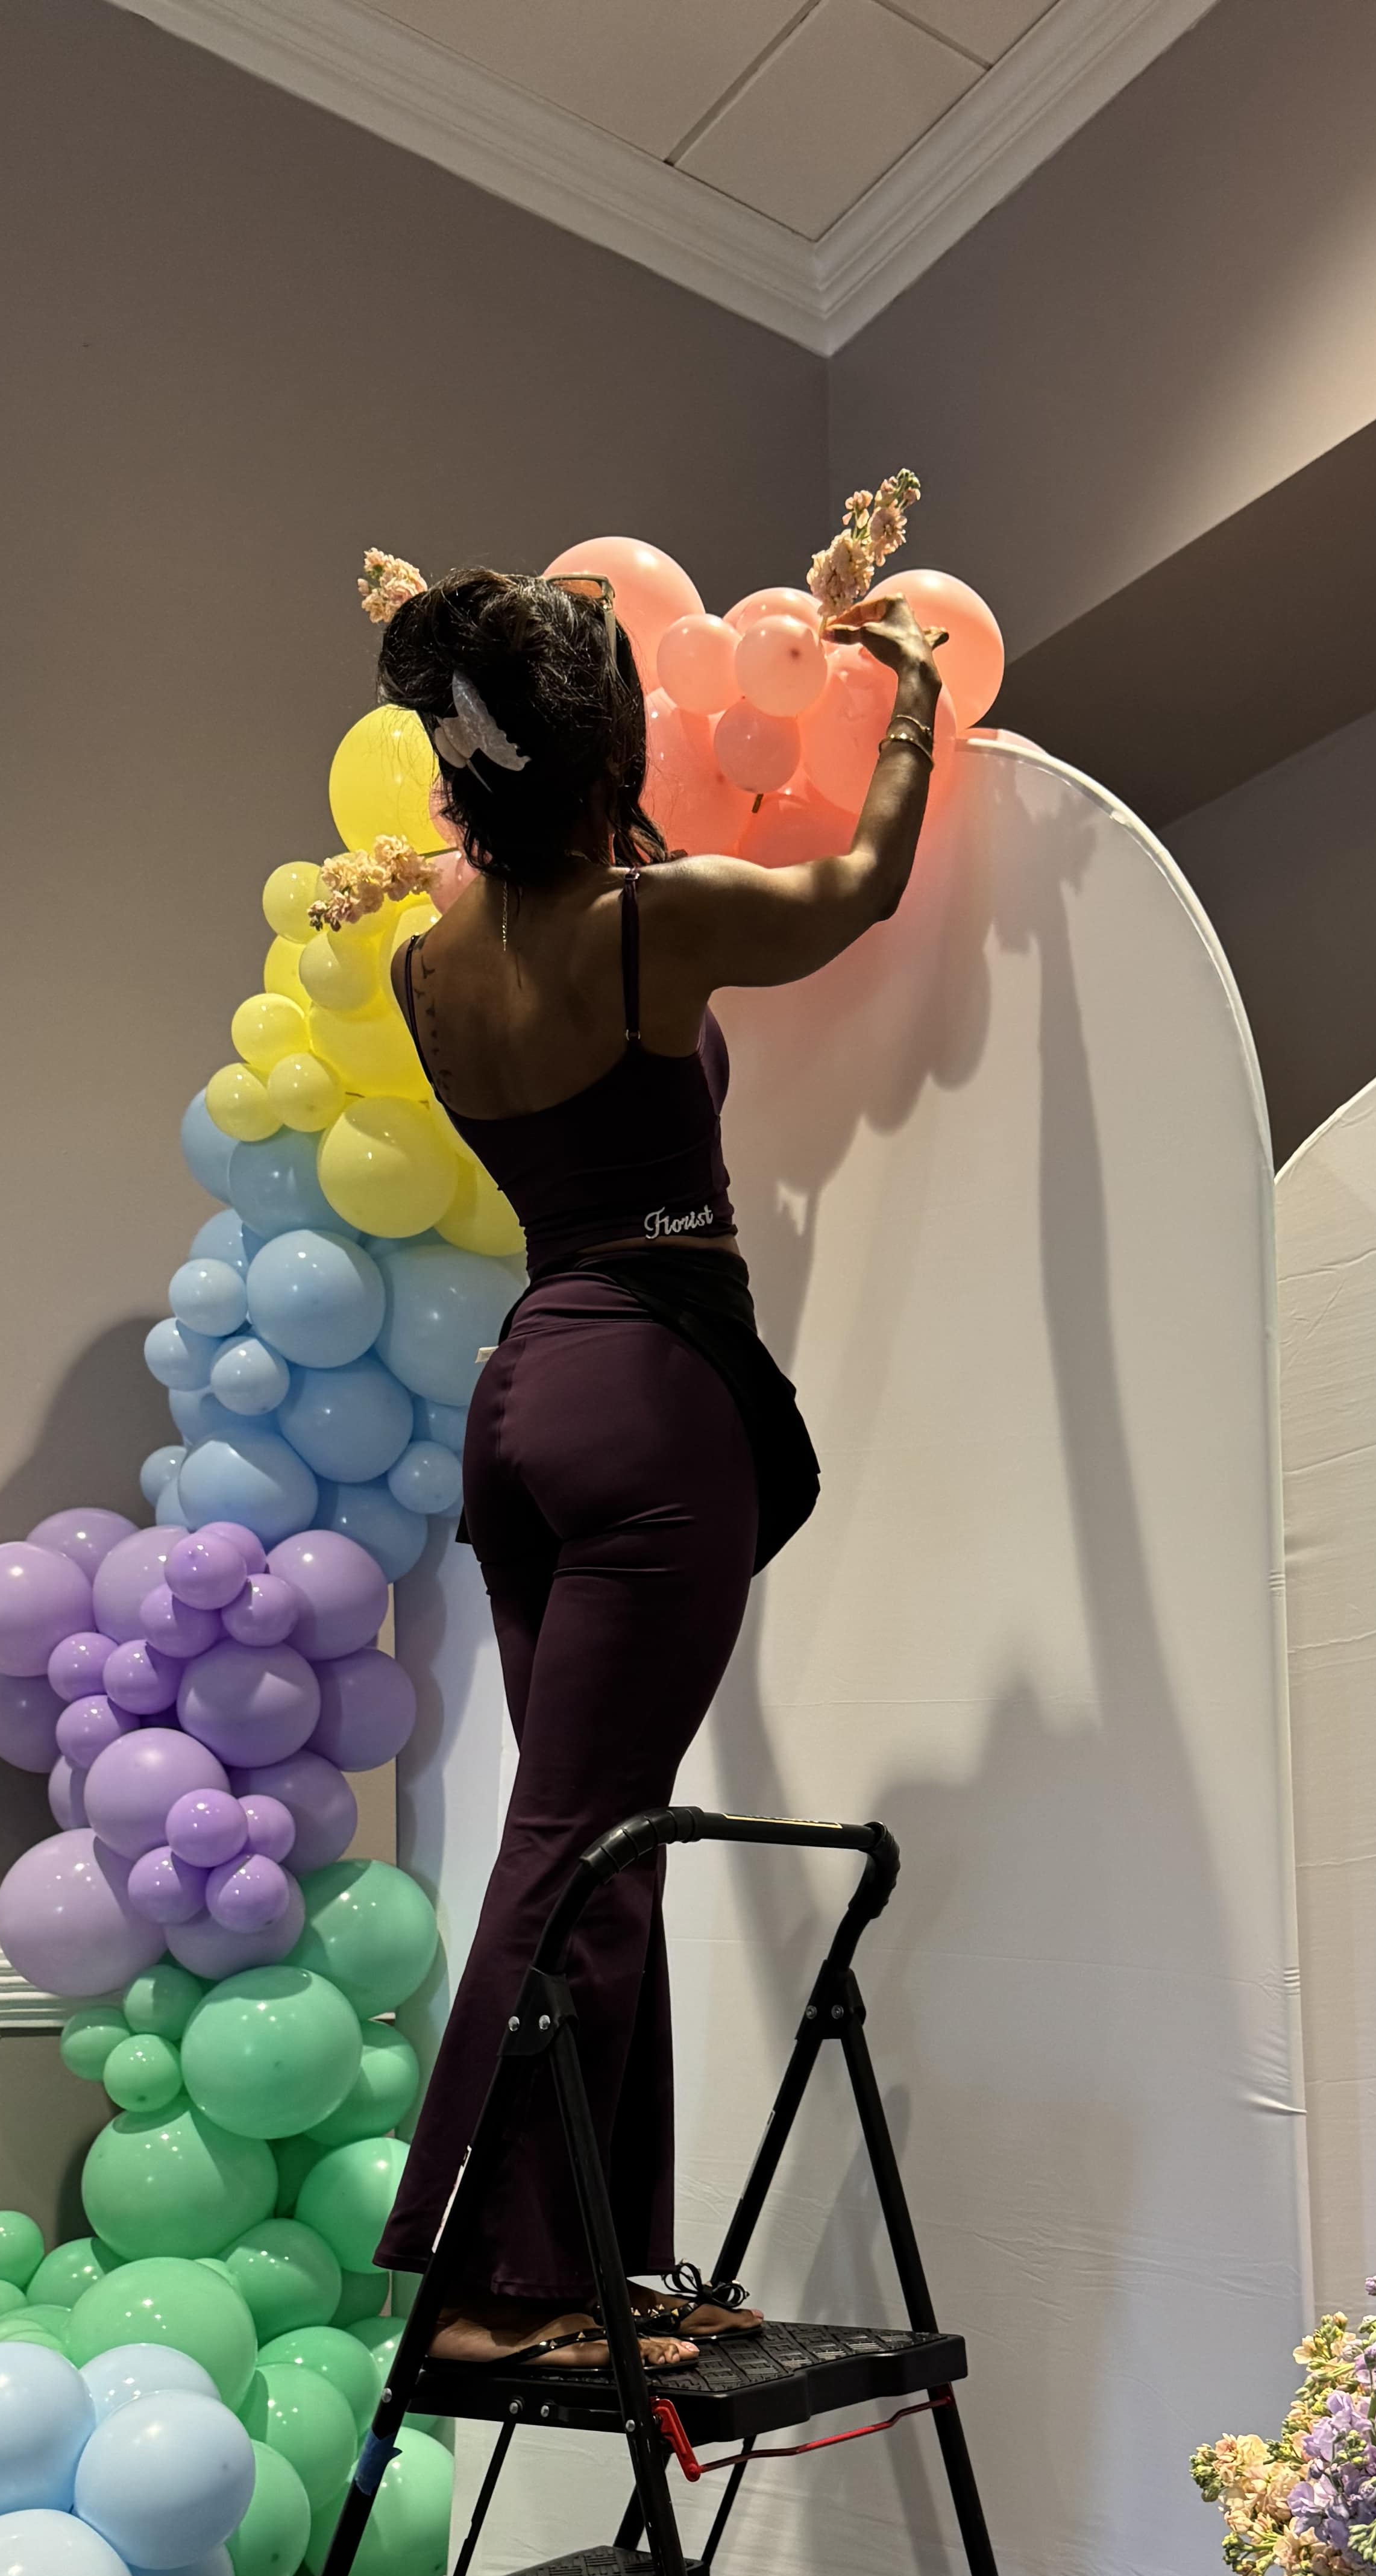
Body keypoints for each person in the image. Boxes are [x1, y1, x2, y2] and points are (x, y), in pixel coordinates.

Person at [364, 564, 946, 2368]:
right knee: (588, 1839)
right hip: (644, 1388)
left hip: (524, 1396)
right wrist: (910, 699)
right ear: (601, 747)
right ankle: (485, 2285)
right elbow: (861, 883)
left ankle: (589, 2259)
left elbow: (498, 839)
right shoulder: (651, 926)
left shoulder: (429, 956)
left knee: (605, 1840)